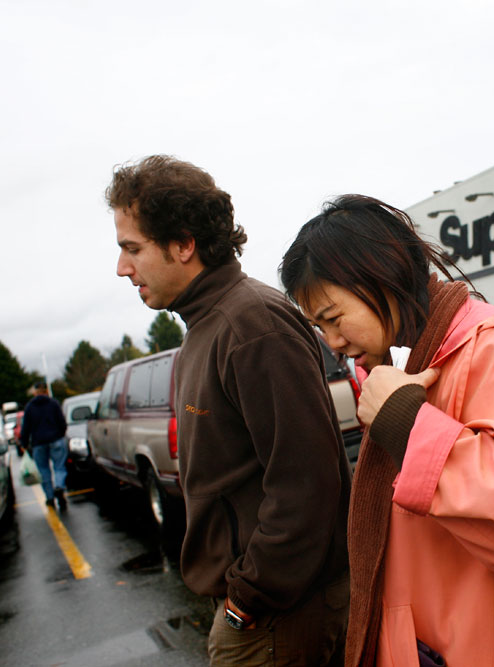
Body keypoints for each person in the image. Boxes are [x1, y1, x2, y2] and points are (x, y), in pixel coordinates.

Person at [280, 195, 494, 666]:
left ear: (381, 274)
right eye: (320, 328)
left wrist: (405, 422)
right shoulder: (411, 358)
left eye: (333, 318)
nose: (333, 342)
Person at [106, 155, 351, 666]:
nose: (122, 268)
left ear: (184, 243)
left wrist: (246, 601)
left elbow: (308, 485)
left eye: (133, 249)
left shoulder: (252, 325)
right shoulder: (208, 326)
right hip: (261, 609)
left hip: (276, 616)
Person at [19, 380, 68, 511]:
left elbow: (26, 428)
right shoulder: (53, 404)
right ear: (46, 391)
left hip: (38, 443)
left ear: (35, 392)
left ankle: (50, 497)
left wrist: (24, 444)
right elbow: (62, 422)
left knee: (43, 470)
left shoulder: (30, 407)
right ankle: (59, 486)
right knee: (59, 467)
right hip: (56, 439)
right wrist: (61, 434)